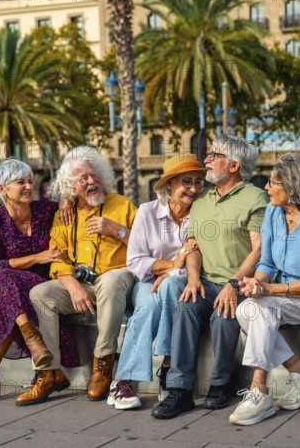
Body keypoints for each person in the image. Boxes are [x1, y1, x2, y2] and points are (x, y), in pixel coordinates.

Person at [152, 132, 269, 419]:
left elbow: (258, 250)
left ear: (233, 166)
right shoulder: (202, 199)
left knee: (224, 315)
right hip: (205, 281)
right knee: (185, 306)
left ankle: (220, 384)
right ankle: (179, 391)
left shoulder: (255, 197)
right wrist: (192, 278)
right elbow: (192, 245)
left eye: (214, 155)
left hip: (240, 283)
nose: (207, 159)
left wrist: (233, 284)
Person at [15, 146, 137, 406]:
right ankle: (49, 371)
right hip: (83, 286)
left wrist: (118, 231)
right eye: (83, 178)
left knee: (112, 279)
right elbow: (56, 257)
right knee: (40, 293)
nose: (91, 181)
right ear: (71, 185)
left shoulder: (122, 205)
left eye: (94, 176)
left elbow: (147, 247)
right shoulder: (64, 214)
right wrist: (72, 285)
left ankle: (102, 362)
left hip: (118, 280)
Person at [0, 158, 79, 408]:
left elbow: (75, 198)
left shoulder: (45, 210)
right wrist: (39, 256)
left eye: (29, 181)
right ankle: (33, 340)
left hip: (39, 285)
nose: (28, 186)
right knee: (2, 281)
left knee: (4, 292)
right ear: (2, 190)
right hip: (6, 286)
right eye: (20, 182)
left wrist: (67, 199)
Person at [229, 153, 300, 426]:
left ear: (293, 186)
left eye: (272, 182)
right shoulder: (273, 211)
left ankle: (259, 389)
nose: (266, 188)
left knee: (262, 307)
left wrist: (269, 289)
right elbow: (267, 261)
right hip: (282, 294)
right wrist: (257, 282)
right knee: (247, 307)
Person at [107, 154, 206, 410]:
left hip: (182, 282)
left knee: (173, 289)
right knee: (149, 306)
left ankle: (168, 370)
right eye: (186, 182)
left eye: (198, 182)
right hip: (149, 280)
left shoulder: (204, 212)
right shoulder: (147, 212)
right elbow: (136, 260)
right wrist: (171, 265)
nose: (194, 189)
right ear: (169, 184)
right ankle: (123, 380)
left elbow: (200, 256)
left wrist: (173, 274)